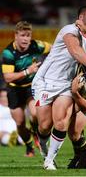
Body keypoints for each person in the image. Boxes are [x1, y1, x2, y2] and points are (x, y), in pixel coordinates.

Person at [32, 5, 86, 170]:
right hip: (45, 81)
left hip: (67, 85)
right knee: (44, 125)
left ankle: (49, 161)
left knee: (61, 122)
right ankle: (42, 145)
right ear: (80, 17)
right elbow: (74, 50)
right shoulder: (68, 29)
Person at [1, 21, 51, 156]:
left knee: (35, 114)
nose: (25, 39)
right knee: (20, 123)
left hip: (31, 87)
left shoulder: (36, 45)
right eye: (22, 35)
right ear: (16, 36)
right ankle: (29, 147)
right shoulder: (8, 53)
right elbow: (8, 78)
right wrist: (28, 71)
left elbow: (54, 48)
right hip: (14, 90)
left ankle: (36, 133)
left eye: (28, 35)